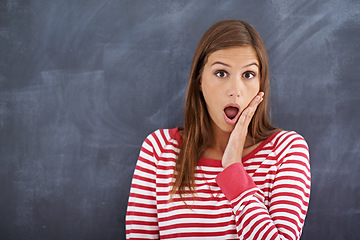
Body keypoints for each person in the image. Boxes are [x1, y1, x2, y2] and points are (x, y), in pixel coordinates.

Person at [125, 20, 311, 239]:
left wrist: (233, 169)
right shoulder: (159, 150)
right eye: (221, 73)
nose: (235, 90)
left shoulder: (286, 150)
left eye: (248, 75)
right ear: (199, 82)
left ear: (261, 83)